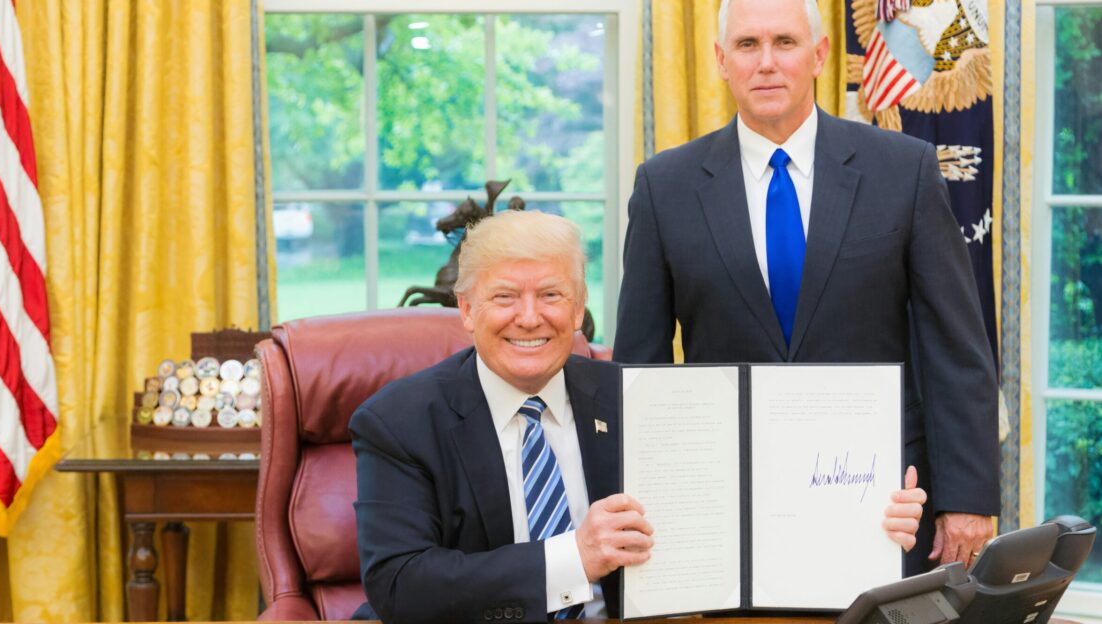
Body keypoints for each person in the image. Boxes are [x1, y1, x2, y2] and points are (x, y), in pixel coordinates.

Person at [352, 210, 928, 623]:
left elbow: (746, 515)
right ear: (468, 310)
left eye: (552, 295)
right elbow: (401, 586)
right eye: (505, 297)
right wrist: (572, 558)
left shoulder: (640, 398)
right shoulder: (399, 422)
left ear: (578, 310)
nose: (530, 318)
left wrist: (863, 520)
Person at [613, 0, 999, 575]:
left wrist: (967, 496)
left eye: (785, 43)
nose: (766, 63)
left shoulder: (905, 169)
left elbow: (956, 345)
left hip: (885, 506)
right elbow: (638, 371)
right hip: (729, 509)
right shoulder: (663, 187)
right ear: (721, 60)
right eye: (747, 45)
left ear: (819, 55)